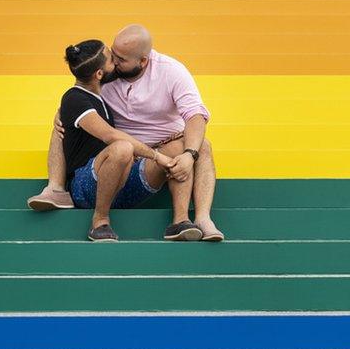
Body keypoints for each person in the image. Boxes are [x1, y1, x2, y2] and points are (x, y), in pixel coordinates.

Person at [28, 25, 224, 242]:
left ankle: (192, 220)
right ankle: (57, 189)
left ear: (142, 61)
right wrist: (62, 111)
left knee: (198, 145)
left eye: (120, 59)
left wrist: (189, 154)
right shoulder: (108, 75)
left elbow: (195, 114)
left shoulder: (170, 71)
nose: (114, 61)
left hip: (151, 155)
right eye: (112, 55)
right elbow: (82, 88)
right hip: (118, 158)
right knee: (82, 132)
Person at [48, 39, 190, 242]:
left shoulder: (100, 93)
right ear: (99, 74)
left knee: (180, 148)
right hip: (85, 188)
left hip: (119, 187)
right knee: (122, 147)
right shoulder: (74, 98)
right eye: (111, 60)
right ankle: (100, 221)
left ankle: (180, 222)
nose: (115, 62)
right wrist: (157, 156)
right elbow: (110, 136)